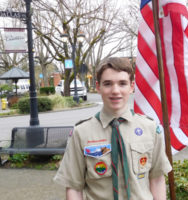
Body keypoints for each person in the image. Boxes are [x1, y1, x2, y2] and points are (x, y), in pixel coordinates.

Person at [54, 57, 172, 200]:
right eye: (108, 84)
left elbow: (157, 179)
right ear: (98, 87)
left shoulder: (150, 129)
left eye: (122, 83)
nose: (115, 91)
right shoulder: (82, 132)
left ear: (132, 86)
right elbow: (74, 187)